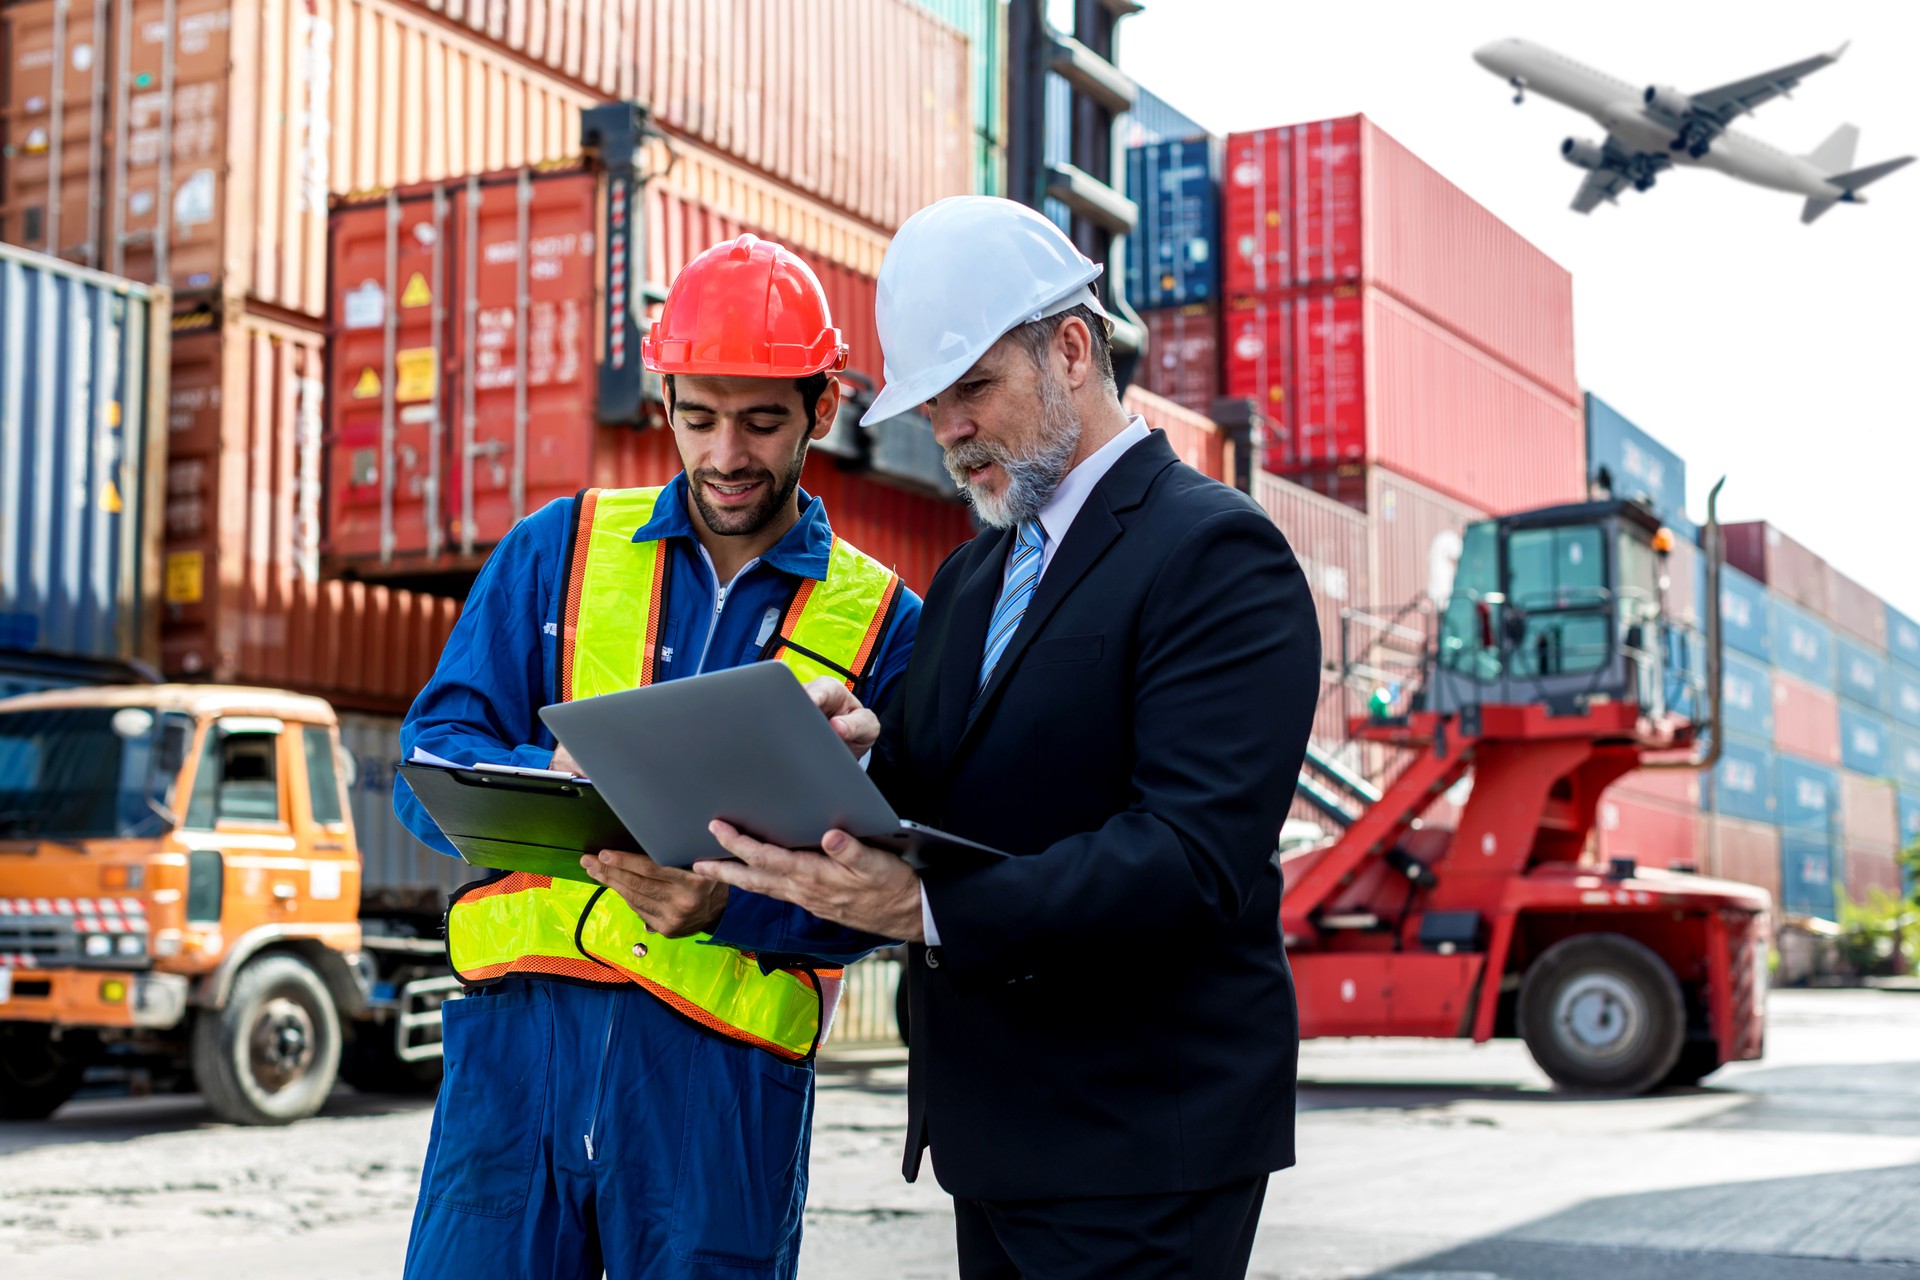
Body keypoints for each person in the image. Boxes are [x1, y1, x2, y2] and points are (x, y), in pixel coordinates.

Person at [698, 196, 1320, 1279]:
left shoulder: (1216, 553)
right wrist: (845, 759)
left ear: (1072, 348)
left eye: (973, 388)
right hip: (994, 1134)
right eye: (934, 403)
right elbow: (933, 796)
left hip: (1141, 1141)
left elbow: (1191, 856)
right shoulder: (975, 573)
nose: (947, 431)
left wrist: (925, 905)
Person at [392, 233, 921, 1280]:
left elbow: (899, 892)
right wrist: (555, 784)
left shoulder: (886, 626)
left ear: (823, 411)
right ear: (665, 401)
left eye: (764, 421)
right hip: (517, 1059)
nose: (727, 453)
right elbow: (430, 760)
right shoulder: (557, 546)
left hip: (716, 1089)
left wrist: (734, 907)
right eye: (699, 416)